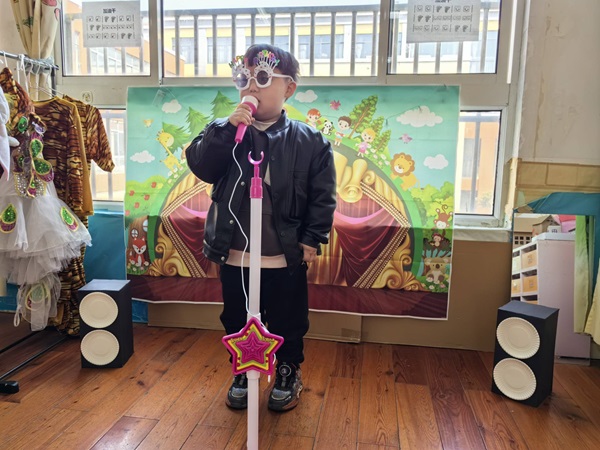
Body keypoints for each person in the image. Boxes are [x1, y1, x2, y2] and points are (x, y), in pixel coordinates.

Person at [186, 44, 337, 412]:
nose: (251, 87)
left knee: (288, 317)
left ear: (289, 88)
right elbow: (202, 166)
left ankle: (287, 369)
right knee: (237, 316)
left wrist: (313, 238)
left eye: (264, 78)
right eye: (244, 79)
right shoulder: (226, 132)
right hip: (235, 251)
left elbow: (323, 196)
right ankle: (243, 368)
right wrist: (226, 130)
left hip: (283, 253)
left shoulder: (310, 142)